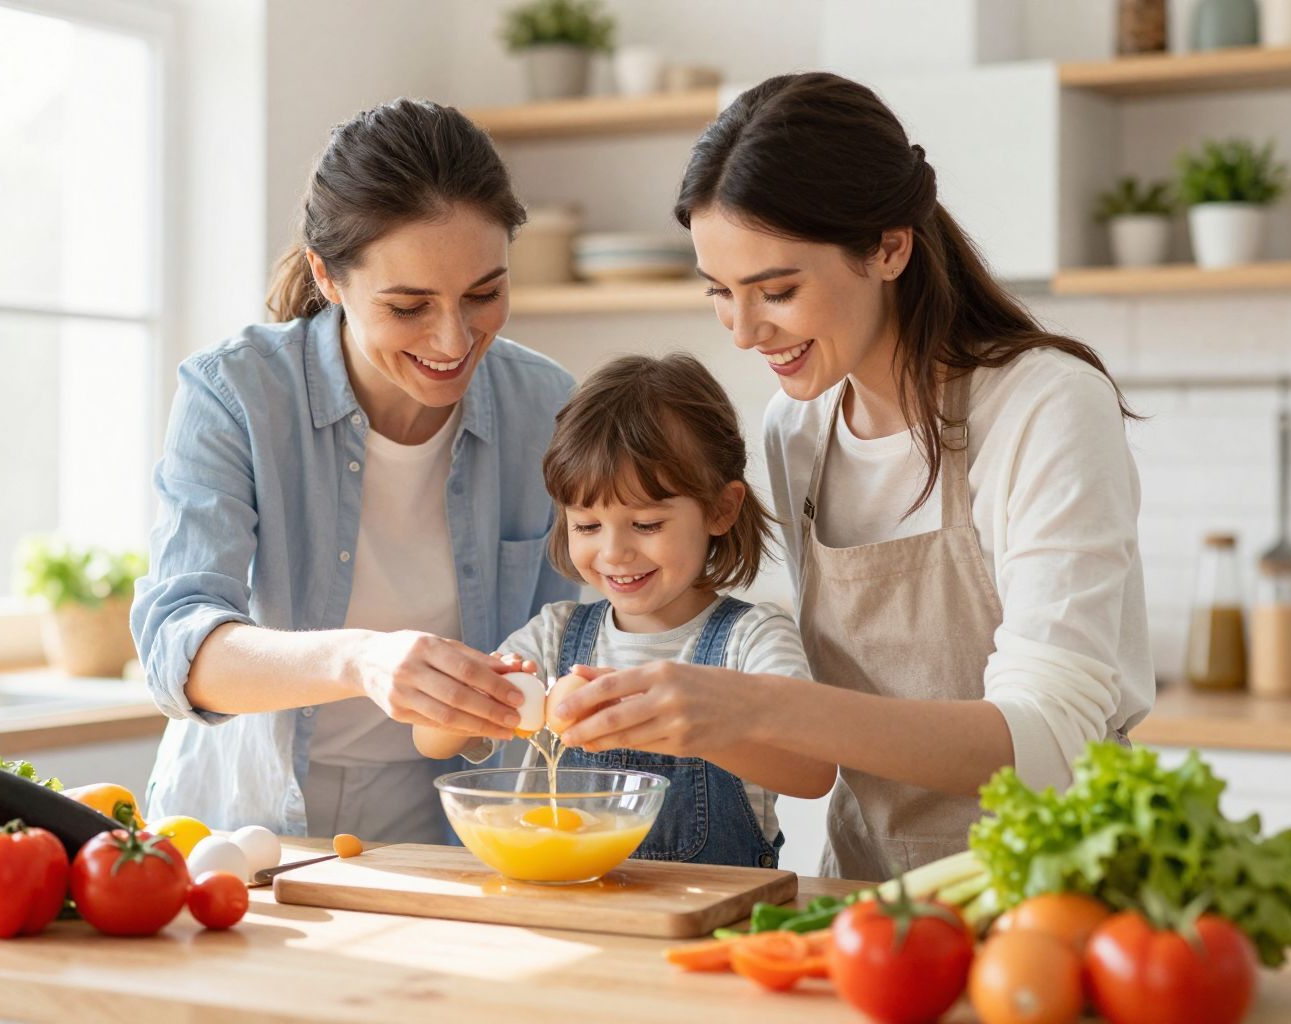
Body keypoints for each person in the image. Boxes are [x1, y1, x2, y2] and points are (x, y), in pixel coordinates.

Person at [551, 72, 1156, 880]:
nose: (743, 331)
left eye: (776, 290)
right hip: (865, 895)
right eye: (721, 294)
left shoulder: (1044, 405)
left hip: (1053, 894)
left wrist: (753, 705)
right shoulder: (797, 427)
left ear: (888, 247)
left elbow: (1049, 742)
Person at [131, 98, 577, 840]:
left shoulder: (547, 409)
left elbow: (573, 638)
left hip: (455, 833)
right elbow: (180, 650)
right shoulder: (236, 394)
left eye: (485, 294)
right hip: (243, 828)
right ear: (327, 277)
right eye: (408, 306)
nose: (454, 337)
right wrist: (362, 657)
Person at [415, 353, 831, 868]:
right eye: (587, 526)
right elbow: (432, 742)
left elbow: (813, 771)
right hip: (572, 914)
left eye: (647, 524)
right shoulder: (554, 637)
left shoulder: (752, 638)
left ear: (721, 509)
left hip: (711, 918)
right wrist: (479, 695)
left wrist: (692, 726)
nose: (613, 553)